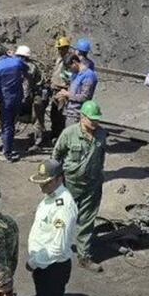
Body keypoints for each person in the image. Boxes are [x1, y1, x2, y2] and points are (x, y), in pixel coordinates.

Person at [26, 159, 77, 296]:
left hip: (52, 269)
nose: (41, 185)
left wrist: (34, 262)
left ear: (59, 179)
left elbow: (57, 248)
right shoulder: (50, 196)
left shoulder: (63, 206)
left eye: (46, 182)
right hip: (46, 268)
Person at [52, 100, 106, 273]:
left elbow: (101, 157)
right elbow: (56, 156)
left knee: (87, 222)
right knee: (63, 218)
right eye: (92, 119)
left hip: (92, 185)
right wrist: (56, 180)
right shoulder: (69, 134)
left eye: (97, 119)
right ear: (82, 117)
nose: (95, 123)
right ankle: (55, 250)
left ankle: (84, 256)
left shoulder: (101, 135)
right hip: (70, 185)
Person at [0, 45, 27, 161]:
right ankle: (9, 145)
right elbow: (26, 68)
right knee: (12, 124)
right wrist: (13, 56)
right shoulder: (16, 62)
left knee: (6, 126)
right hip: (18, 98)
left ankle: (7, 152)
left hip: (5, 100)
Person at [17, 45, 48, 149]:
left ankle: (38, 143)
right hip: (28, 95)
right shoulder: (23, 65)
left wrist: (23, 99)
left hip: (36, 95)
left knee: (37, 119)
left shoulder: (30, 67)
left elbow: (27, 84)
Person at [58, 55, 97, 123]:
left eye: (70, 67)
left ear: (74, 62)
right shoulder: (75, 74)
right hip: (70, 112)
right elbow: (73, 90)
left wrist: (68, 94)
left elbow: (85, 97)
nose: (70, 70)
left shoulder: (88, 76)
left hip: (78, 114)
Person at [48, 36, 73, 141]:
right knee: (54, 113)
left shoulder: (70, 61)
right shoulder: (59, 59)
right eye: (59, 48)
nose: (60, 50)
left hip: (63, 90)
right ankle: (54, 133)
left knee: (61, 114)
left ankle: (61, 136)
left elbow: (70, 78)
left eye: (62, 48)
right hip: (55, 89)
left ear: (67, 48)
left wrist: (66, 89)